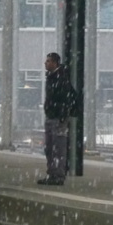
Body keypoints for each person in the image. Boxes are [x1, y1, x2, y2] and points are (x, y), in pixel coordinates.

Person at [38, 52, 76, 185]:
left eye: (48, 61)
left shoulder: (61, 78)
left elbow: (65, 99)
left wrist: (62, 116)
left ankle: (58, 176)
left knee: (58, 148)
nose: (46, 63)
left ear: (55, 63)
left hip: (58, 118)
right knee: (49, 148)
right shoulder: (52, 77)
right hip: (51, 116)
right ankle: (51, 174)